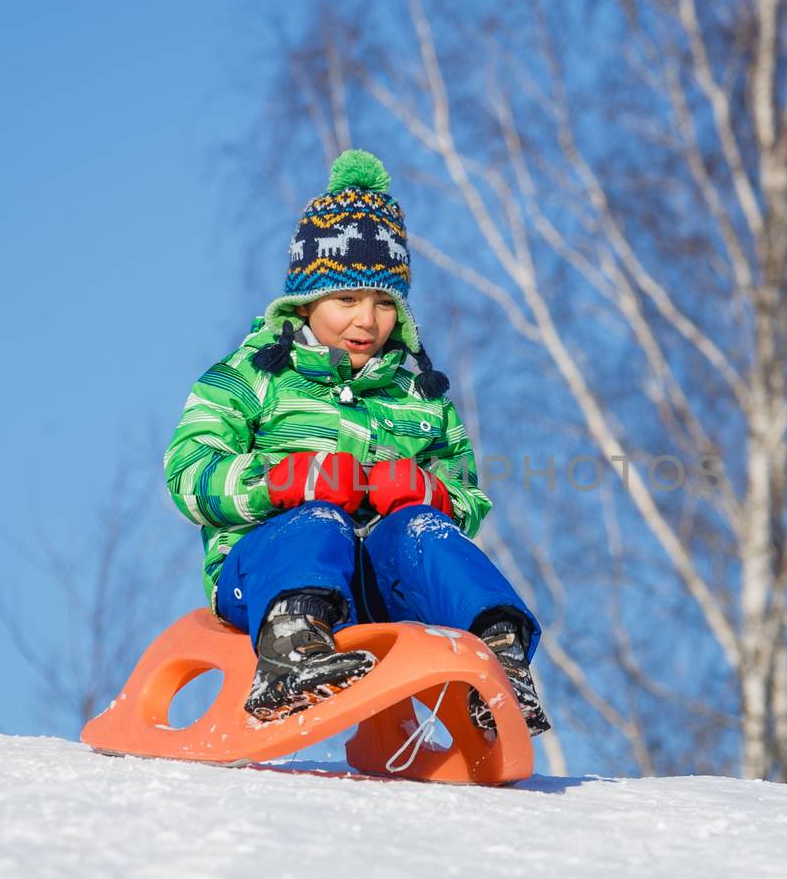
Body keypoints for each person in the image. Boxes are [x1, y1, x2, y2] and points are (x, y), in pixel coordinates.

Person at [163, 149, 549, 734]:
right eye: (346, 300)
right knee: (317, 519)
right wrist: (279, 483)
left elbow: (466, 495)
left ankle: (496, 658)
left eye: (384, 303)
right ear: (306, 301)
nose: (366, 321)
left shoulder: (419, 395)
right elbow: (189, 476)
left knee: (422, 535)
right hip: (263, 574)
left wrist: (433, 494)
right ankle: (293, 650)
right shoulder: (252, 377)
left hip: (377, 585)